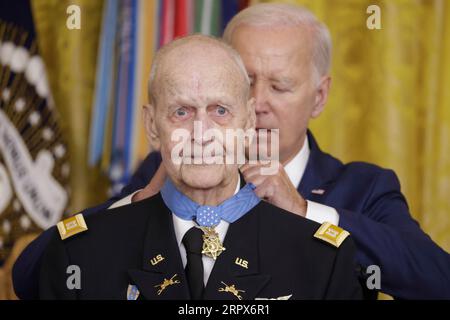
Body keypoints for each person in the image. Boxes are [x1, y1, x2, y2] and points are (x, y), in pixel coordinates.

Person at [14, 3, 450, 300]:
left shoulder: (363, 187)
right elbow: (37, 273)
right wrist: (142, 199)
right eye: (242, 82)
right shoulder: (163, 169)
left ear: (319, 97)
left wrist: (303, 211)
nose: (258, 102)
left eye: (279, 85)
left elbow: (438, 280)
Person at [38, 35, 362, 300]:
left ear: (248, 122)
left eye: (220, 111)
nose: (201, 134)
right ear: (152, 126)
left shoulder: (322, 259)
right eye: (181, 112)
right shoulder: (82, 254)